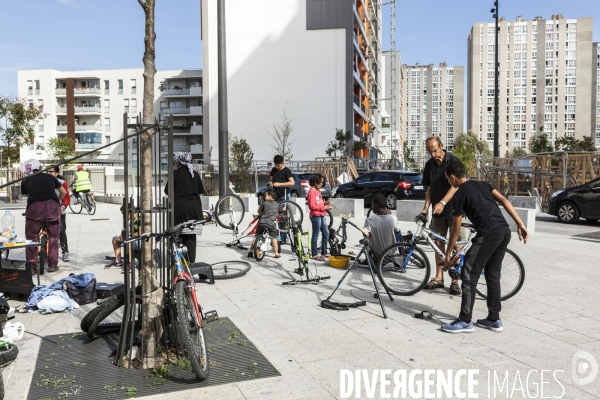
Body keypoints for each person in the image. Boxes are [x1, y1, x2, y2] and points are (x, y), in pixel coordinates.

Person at [441, 160, 528, 333]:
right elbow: (504, 200)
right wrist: (520, 224)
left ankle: (465, 321)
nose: (449, 184)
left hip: (488, 233)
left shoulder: (459, 194)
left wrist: (448, 253)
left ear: (452, 177)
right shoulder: (484, 184)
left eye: (448, 181)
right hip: (504, 231)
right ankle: (494, 319)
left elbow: (456, 229)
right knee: (493, 274)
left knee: (469, 273)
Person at [420, 136, 465, 295]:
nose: (432, 154)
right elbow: (429, 189)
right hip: (437, 212)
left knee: (456, 245)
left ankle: (454, 281)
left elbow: (456, 186)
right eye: (429, 151)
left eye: (435, 150)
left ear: (442, 146)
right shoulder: (429, 165)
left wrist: (443, 203)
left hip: (455, 209)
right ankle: (439, 278)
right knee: (438, 243)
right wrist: (425, 209)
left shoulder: (453, 160)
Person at [21, 161, 67, 274]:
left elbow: (26, 194)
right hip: (52, 207)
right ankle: (52, 265)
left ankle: (32, 266)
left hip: (34, 208)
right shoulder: (50, 177)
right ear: (40, 168)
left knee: (31, 238)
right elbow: (63, 192)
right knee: (54, 238)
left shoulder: (26, 180)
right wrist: (58, 201)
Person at [163, 152, 204, 263]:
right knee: (191, 237)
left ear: (177, 162)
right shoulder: (195, 174)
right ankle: (191, 263)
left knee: (178, 236)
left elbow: (167, 191)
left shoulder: (174, 174)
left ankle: (179, 263)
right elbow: (200, 190)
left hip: (179, 208)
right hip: (194, 208)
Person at [362, 195, 399, 265]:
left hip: (377, 253)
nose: (372, 207)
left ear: (376, 205)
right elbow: (397, 233)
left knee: (366, 236)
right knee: (396, 231)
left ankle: (371, 258)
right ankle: (401, 255)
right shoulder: (393, 218)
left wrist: (375, 254)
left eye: (372, 205)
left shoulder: (369, 220)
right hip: (391, 251)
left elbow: (366, 241)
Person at [248, 188, 281, 259]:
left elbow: (258, 210)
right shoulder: (277, 204)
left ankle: (250, 251)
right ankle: (276, 253)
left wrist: (262, 213)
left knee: (256, 236)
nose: (264, 197)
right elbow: (281, 210)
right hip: (271, 224)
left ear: (270, 197)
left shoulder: (264, 203)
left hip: (262, 222)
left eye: (266, 195)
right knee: (273, 238)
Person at [48, 166, 71, 262]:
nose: (49, 173)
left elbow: (66, 197)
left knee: (61, 231)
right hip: (47, 210)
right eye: (47, 171)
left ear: (57, 173)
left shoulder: (62, 183)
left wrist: (63, 207)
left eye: (51, 172)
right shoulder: (45, 182)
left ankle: (65, 252)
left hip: (59, 210)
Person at [307, 173, 331, 260]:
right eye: (319, 183)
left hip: (321, 214)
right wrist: (324, 207)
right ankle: (314, 254)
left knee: (326, 233)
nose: (321, 184)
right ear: (315, 182)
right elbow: (312, 206)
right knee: (316, 234)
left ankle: (324, 252)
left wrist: (325, 203)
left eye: (322, 183)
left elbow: (318, 202)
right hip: (315, 215)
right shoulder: (311, 191)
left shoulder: (318, 191)